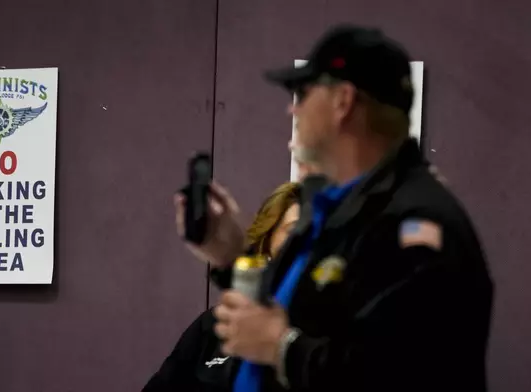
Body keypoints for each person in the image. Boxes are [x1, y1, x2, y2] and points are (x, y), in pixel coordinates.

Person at [174, 24, 493, 392]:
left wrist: (282, 349)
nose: (292, 108)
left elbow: (392, 374)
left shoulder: (416, 225)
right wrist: (233, 256)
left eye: (304, 93)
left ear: (343, 102)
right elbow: (306, 311)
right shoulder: (333, 209)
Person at [143, 182, 301, 392]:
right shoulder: (211, 327)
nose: (310, 243)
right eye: (296, 231)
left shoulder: (334, 340)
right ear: (268, 243)